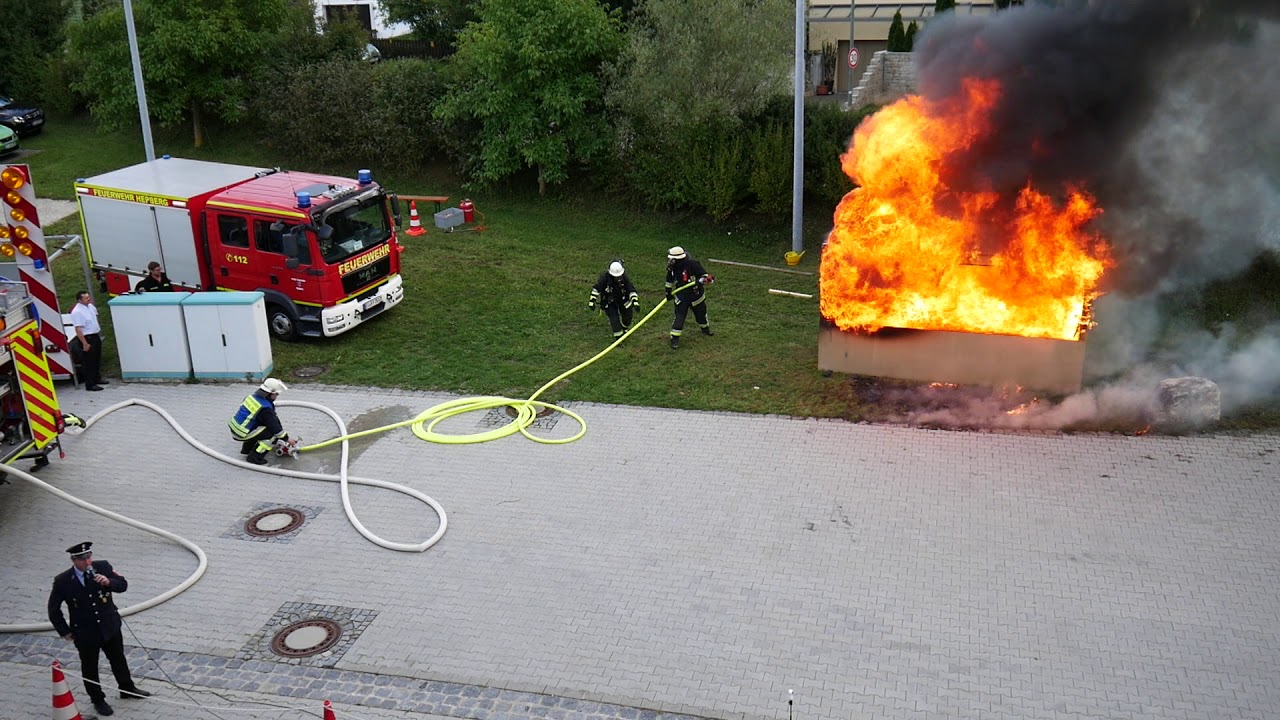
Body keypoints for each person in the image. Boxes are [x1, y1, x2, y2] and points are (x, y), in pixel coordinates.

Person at [47, 542, 150, 717]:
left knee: (118, 658)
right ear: (74, 560)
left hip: (109, 625)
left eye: (89, 557)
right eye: (82, 559)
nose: (87, 562)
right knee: (90, 667)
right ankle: (98, 699)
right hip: (86, 632)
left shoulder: (103, 567)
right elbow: (53, 609)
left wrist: (109, 582)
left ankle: (127, 687)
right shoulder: (63, 581)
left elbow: (123, 585)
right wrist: (65, 631)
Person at [229, 378, 290, 465]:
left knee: (260, 428)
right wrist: (286, 439)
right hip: (242, 433)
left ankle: (247, 449)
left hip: (236, 428)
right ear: (270, 393)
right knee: (271, 434)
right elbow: (274, 426)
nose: (277, 397)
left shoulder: (251, 397)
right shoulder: (265, 408)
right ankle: (255, 457)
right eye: (276, 394)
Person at [664, 246, 714, 349]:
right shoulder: (672, 267)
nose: (670, 261)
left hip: (696, 295)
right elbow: (669, 280)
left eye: (672, 259)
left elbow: (704, 275)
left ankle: (705, 328)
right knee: (679, 317)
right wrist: (668, 292)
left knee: (701, 314)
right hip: (681, 296)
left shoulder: (693, 264)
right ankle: (675, 338)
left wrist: (704, 280)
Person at [588, 261, 641, 340]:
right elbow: (596, 289)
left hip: (623, 298)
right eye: (616, 276)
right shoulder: (605, 279)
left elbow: (631, 289)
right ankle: (618, 337)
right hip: (609, 301)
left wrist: (635, 302)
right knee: (614, 318)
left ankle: (624, 327)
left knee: (628, 315)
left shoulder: (624, 278)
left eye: (619, 276)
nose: (618, 278)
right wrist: (592, 301)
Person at [70, 290, 107, 391]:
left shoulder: (90, 306)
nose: (88, 299)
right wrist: (85, 344)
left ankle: (97, 378)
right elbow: (78, 329)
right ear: (79, 300)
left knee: (96, 358)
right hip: (87, 338)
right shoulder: (77, 312)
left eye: (88, 297)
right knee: (88, 362)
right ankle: (90, 384)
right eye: (86, 298)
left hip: (95, 335)